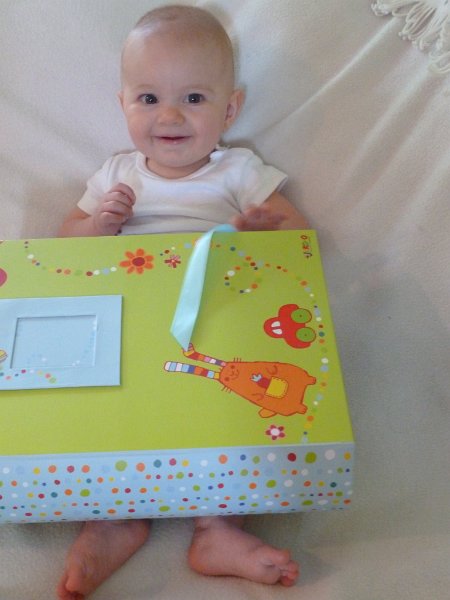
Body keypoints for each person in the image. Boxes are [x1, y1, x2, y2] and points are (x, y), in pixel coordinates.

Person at [57, 5, 308, 599]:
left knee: (223, 418)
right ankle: (113, 521)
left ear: (230, 110)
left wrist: (260, 230)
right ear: (123, 104)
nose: (169, 116)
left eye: (193, 98)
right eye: (148, 99)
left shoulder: (238, 172)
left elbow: (298, 240)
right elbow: (62, 245)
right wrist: (99, 226)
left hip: (215, 323)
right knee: (115, 415)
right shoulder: (118, 174)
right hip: (129, 326)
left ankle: (216, 529)